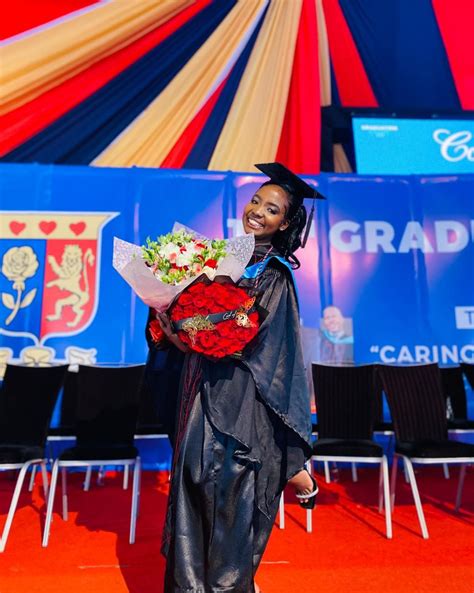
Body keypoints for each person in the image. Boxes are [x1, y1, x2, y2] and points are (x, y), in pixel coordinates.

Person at [152, 162, 322, 593]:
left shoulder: (274, 275)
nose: (257, 212)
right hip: (199, 391)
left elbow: (249, 339)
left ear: (285, 224)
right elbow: (197, 334)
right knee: (192, 485)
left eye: (272, 209)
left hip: (238, 402)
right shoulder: (223, 259)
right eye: (256, 201)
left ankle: (227, 586)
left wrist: (197, 326)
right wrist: (171, 321)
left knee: (228, 495)